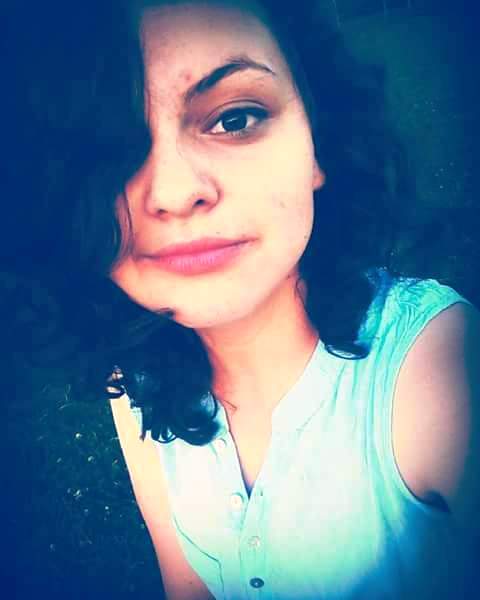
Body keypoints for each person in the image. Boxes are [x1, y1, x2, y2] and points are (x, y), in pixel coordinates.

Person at [5, 1, 479, 599]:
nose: (174, 191)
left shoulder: (440, 375)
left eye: (235, 118)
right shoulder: (134, 378)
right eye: (109, 149)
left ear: (318, 145)